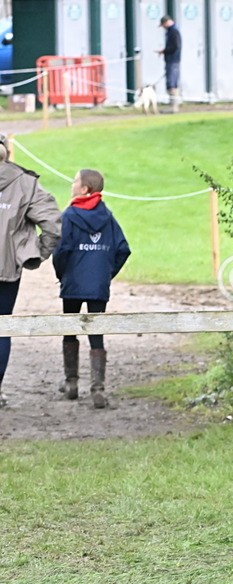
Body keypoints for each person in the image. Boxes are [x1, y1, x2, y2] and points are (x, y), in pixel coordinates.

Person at [53, 169, 131, 410]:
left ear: (84, 189)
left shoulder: (70, 215)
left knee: (70, 329)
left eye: (75, 181)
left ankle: (72, 383)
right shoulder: (108, 217)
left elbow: (61, 250)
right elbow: (122, 249)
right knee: (96, 334)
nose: (72, 184)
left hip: (73, 283)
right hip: (98, 284)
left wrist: (62, 273)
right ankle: (97, 388)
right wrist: (106, 273)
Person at [0, 134, 61, 408]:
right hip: (8, 269)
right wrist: (34, 252)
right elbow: (52, 224)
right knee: (2, 327)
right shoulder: (26, 183)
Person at [157, 15, 182, 113]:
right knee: (172, 83)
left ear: (166, 22)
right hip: (173, 60)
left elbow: (175, 46)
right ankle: (173, 106)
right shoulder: (173, 31)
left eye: (163, 25)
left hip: (173, 60)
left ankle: (173, 107)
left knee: (171, 83)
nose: (163, 27)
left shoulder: (173, 32)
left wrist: (165, 51)